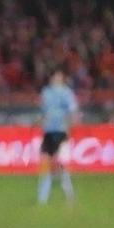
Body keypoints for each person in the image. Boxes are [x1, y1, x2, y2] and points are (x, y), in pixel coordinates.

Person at [37, 68, 79, 204]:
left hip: (61, 130)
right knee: (46, 162)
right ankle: (43, 197)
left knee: (59, 162)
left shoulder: (67, 93)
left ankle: (67, 190)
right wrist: (42, 123)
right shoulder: (46, 92)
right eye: (55, 76)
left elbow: (72, 111)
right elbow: (43, 111)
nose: (57, 79)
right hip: (48, 131)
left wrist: (71, 126)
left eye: (59, 77)